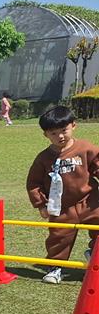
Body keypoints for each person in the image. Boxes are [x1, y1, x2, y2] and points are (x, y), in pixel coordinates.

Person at [26, 106, 99, 284]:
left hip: (91, 201)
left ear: (73, 125)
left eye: (64, 130)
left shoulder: (86, 148)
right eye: (53, 133)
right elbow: (34, 183)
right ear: (45, 135)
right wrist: (41, 204)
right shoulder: (43, 158)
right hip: (61, 206)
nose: (60, 136)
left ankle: (95, 256)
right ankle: (55, 267)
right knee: (59, 237)